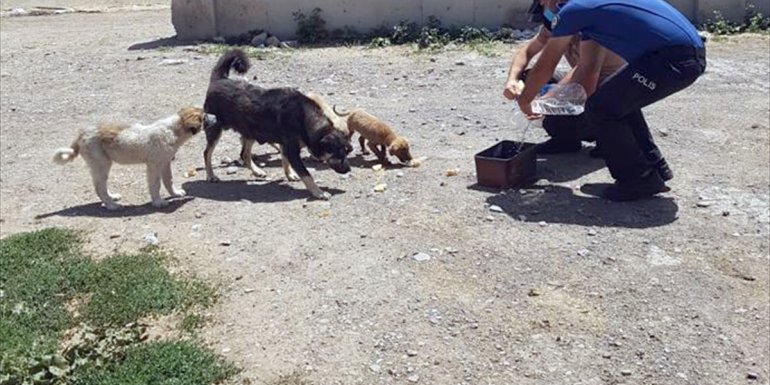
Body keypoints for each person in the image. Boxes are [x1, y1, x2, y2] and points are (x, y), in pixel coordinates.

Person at [517, 0, 706, 201]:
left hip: (673, 60)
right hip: (680, 55)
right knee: (618, 100)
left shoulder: (574, 10)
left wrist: (526, 102)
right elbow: (586, 68)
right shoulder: (592, 12)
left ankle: (638, 180)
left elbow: (545, 66)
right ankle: (655, 167)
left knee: (601, 109)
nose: (547, 14)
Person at [503, 0, 626, 155]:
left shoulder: (589, 25)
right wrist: (512, 80)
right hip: (586, 85)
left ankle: (609, 139)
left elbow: (584, 73)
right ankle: (565, 140)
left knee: (551, 94)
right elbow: (528, 51)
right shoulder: (558, 23)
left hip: (609, 96)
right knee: (530, 79)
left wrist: (541, 101)